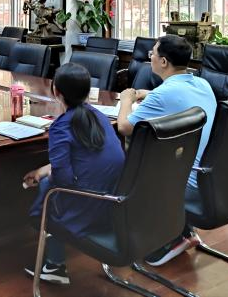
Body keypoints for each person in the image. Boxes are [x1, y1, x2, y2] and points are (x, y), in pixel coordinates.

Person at [117, 34, 217, 266]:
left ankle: (168, 239)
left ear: (163, 62)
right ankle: (182, 229)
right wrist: (148, 94)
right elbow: (173, 96)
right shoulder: (202, 83)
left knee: (130, 165)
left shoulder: (164, 95)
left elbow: (124, 127)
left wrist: (126, 99)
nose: (149, 57)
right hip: (210, 176)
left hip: (186, 182)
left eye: (152, 53)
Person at [23, 63, 125, 285]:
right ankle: (54, 262)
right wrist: (44, 169)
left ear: (56, 91)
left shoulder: (61, 127)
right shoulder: (99, 116)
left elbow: (63, 180)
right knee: (47, 181)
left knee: (46, 189)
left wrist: (46, 175)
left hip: (87, 207)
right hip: (116, 203)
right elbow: (86, 160)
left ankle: (55, 265)